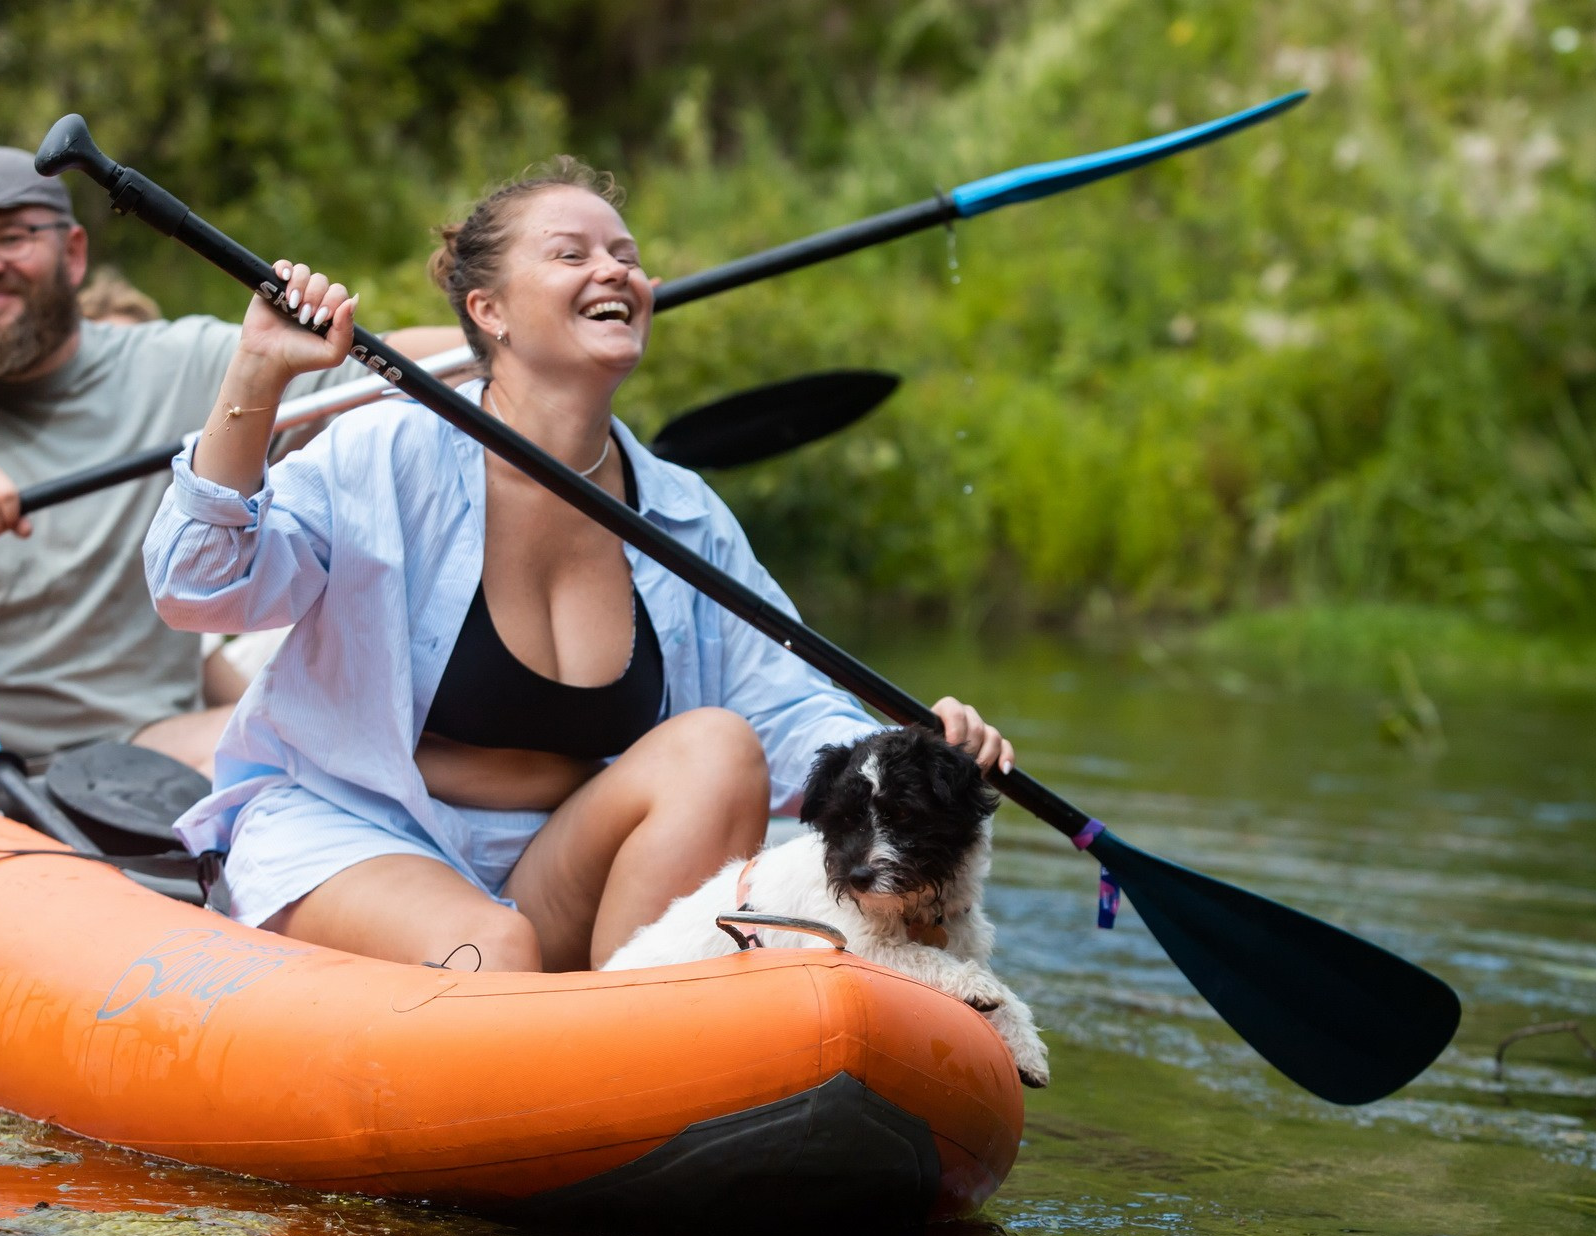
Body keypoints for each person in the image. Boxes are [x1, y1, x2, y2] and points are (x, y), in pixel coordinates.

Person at [144, 159, 1013, 972]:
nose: (613, 270)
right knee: (496, 946)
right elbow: (194, 587)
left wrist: (910, 754)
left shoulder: (683, 509)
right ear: (489, 310)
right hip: (353, 837)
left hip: (553, 862)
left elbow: (790, 713)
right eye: (572, 254)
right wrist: (257, 374)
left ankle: (643, 1052)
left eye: (625, 258)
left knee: (717, 746)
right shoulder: (384, 450)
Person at [0, 145, 460, 780]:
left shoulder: (176, 363)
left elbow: (385, 362)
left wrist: (516, 341)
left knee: (299, 744)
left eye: (10, 238)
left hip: (141, 741)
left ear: (72, 253)